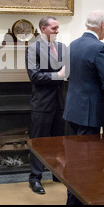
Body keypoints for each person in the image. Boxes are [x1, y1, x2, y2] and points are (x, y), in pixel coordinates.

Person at [63, 10, 104, 205]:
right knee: (86, 163)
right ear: (103, 25)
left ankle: (72, 199)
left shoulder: (73, 45)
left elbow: (68, 75)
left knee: (74, 160)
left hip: (72, 110)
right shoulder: (99, 48)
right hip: (89, 113)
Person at [25, 16, 66, 194]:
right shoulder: (33, 49)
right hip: (42, 104)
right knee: (39, 143)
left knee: (59, 141)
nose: (57, 31)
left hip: (61, 102)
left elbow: (67, 72)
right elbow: (34, 77)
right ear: (43, 29)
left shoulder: (62, 48)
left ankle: (57, 174)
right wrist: (58, 75)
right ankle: (35, 178)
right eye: (54, 28)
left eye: (58, 28)